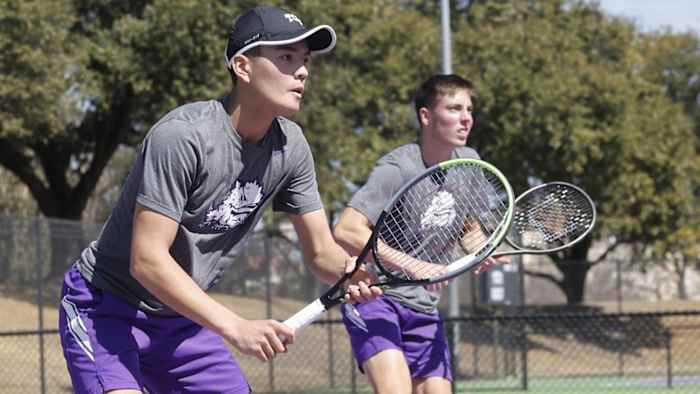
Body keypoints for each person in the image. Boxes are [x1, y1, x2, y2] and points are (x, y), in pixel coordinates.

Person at [58, 5, 380, 394]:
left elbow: (320, 254)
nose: (302, 71)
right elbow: (147, 260)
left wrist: (349, 270)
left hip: (179, 321)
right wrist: (234, 326)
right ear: (242, 67)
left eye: (305, 60)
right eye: (285, 57)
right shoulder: (181, 136)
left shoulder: (292, 148)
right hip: (106, 308)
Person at [334, 74, 499, 394]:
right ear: (426, 116)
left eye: (468, 109)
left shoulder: (470, 163)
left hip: (424, 307)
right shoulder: (396, 168)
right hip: (376, 298)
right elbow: (346, 230)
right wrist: (414, 266)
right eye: (454, 108)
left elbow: (469, 227)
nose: (466, 118)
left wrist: (480, 249)